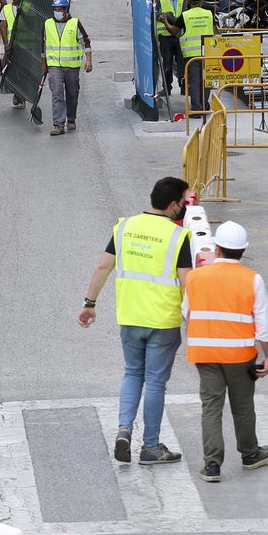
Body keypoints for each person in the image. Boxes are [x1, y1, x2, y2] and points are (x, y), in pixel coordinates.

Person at [78, 176, 193, 466]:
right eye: (183, 202)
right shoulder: (178, 237)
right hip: (163, 321)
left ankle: (124, 429)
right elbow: (188, 283)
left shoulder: (125, 227)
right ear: (173, 205)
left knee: (132, 374)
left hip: (130, 316)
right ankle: (151, 447)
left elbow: (104, 265)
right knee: (155, 382)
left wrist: (89, 304)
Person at [183, 221, 268, 483]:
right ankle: (249, 454)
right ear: (243, 250)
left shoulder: (195, 276)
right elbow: (264, 325)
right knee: (243, 406)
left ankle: (212, 465)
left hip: (205, 354)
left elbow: (186, 311)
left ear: (216, 247)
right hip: (240, 356)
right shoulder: (252, 279)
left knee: (211, 407)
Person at [41, 0, 92, 135]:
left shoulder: (75, 23)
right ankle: (58, 124)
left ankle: (71, 118)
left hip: (72, 66)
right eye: (55, 9)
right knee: (57, 93)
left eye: (60, 9)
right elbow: (43, 45)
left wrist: (88, 60)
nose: (57, 12)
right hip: (54, 66)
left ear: (66, 10)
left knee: (72, 93)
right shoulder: (47, 24)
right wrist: (43, 64)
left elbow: (86, 41)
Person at [175, 0, 214, 113]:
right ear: (201, 1)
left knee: (194, 81)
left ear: (188, 1)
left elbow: (174, 31)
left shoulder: (184, 16)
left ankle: (197, 108)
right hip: (208, 52)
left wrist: (165, 21)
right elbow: (215, 31)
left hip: (191, 54)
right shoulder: (209, 14)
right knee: (206, 80)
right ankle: (204, 105)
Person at [156, 0, 187, 97]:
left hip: (179, 36)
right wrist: (165, 18)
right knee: (167, 64)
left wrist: (173, 20)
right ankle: (167, 88)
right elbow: (156, 14)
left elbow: (184, 15)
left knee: (182, 64)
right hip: (165, 37)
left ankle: (183, 86)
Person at [0, 0, 26, 108]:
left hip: (25, 46)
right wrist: (6, 44)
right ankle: (17, 93)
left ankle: (20, 97)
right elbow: (3, 27)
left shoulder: (28, 8)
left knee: (21, 72)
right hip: (11, 47)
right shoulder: (6, 9)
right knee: (11, 71)